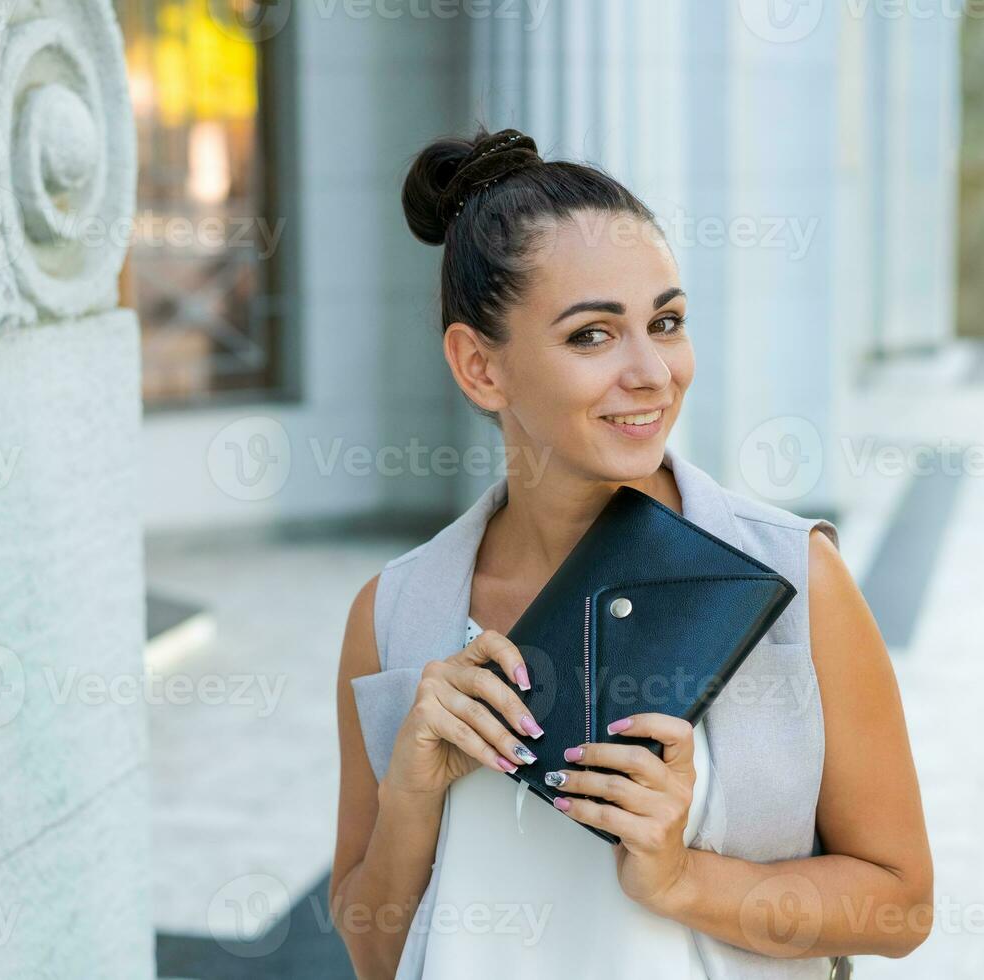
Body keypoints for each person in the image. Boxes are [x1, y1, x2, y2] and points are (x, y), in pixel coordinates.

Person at [329, 127, 932, 979]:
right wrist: (413, 794)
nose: (653, 371)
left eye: (667, 322)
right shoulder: (395, 612)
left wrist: (685, 881)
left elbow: (899, 903)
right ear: (479, 367)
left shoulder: (791, 578)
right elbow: (371, 944)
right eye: (592, 336)